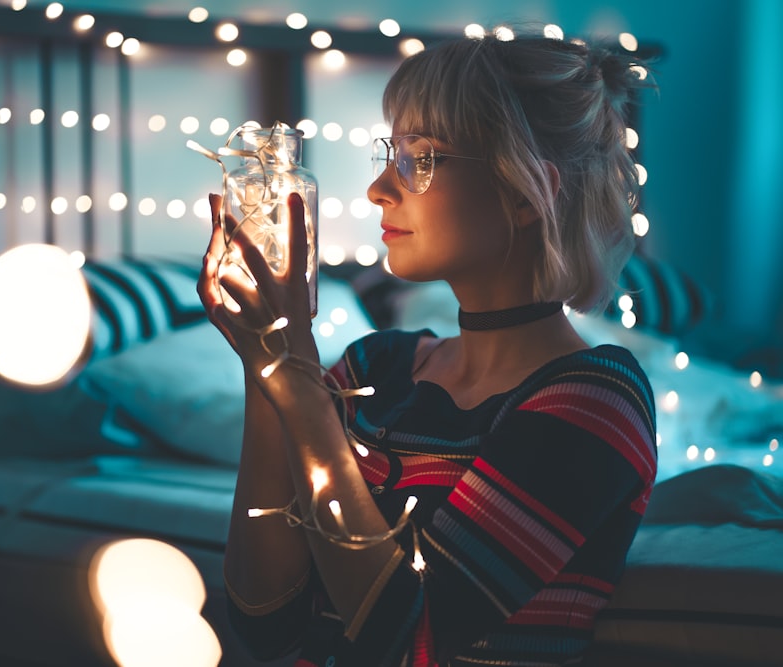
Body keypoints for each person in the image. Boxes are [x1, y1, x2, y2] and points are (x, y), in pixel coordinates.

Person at [198, 28, 658, 667]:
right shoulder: (373, 369)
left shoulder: (595, 401)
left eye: (421, 159)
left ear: (526, 192)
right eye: (391, 155)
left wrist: (296, 375)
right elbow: (263, 626)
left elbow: (403, 640)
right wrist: (264, 363)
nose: (378, 190)